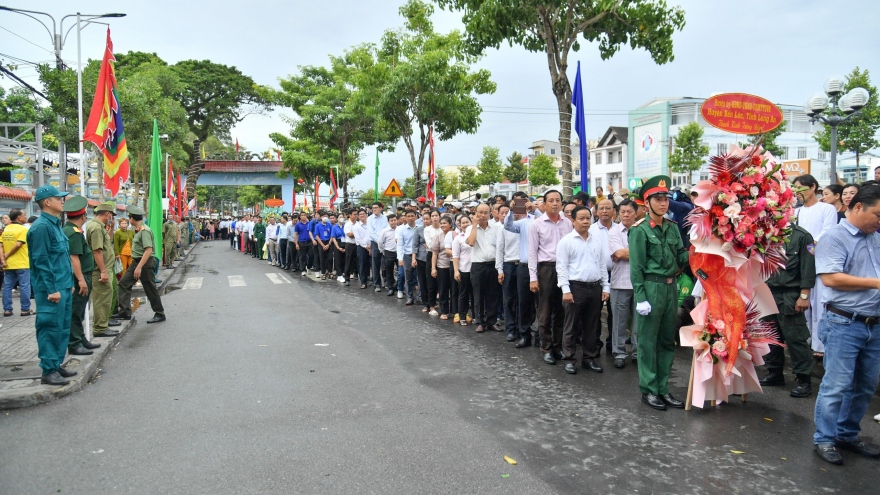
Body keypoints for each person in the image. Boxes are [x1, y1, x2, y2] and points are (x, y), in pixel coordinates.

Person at [812, 184, 880, 465]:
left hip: (874, 324)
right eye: (877, 214)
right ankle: (824, 438)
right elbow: (831, 278)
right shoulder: (834, 237)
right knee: (836, 385)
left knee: (864, 385)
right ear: (858, 207)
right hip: (844, 322)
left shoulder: (875, 237)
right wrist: (876, 283)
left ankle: (847, 434)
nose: (879, 221)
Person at [629, 175, 689, 411]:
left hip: (671, 287)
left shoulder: (673, 228)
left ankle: (663, 388)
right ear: (647, 201)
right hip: (651, 288)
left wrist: (700, 249)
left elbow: (681, 258)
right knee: (647, 342)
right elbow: (637, 269)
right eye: (658, 198)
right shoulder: (640, 230)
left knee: (666, 341)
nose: (664, 203)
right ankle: (649, 389)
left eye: (666, 198)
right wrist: (641, 298)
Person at [760, 224, 815, 398]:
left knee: (795, 337)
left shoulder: (802, 236)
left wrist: (804, 295)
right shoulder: (763, 232)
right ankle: (774, 372)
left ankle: (803, 378)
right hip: (767, 291)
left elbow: (808, 267)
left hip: (790, 294)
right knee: (770, 335)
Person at [28, 185, 74, 385]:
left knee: (62, 327)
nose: (62, 201)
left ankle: (56, 364)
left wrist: (68, 283)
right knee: (49, 328)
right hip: (51, 289)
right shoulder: (41, 227)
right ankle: (48, 370)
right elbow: (41, 261)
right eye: (59, 198)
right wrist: (52, 289)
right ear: (47, 202)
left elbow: (61, 258)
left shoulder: (55, 224)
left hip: (63, 285)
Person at [557, 205, 610, 374]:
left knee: (592, 326)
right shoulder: (566, 242)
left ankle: (589, 358)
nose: (586, 221)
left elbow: (602, 265)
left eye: (588, 218)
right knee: (571, 325)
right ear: (573, 221)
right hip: (575, 287)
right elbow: (562, 267)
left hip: (594, 287)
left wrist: (605, 286)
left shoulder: (596, 241)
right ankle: (569, 359)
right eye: (581, 218)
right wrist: (566, 289)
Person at [793, 174, 839, 358]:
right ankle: (805, 341)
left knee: (819, 303)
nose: (798, 194)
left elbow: (827, 232)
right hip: (801, 262)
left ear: (812, 187)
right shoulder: (797, 212)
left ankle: (819, 345)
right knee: (803, 303)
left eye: (801, 189)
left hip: (819, 260)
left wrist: (808, 247)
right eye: (795, 191)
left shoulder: (826, 209)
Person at [529, 190, 572, 364]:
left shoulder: (567, 223)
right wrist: (533, 277)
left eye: (558, 200)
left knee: (562, 310)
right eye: (551, 201)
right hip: (546, 269)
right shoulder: (536, 224)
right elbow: (532, 252)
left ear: (561, 203)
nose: (555, 203)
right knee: (545, 311)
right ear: (544, 204)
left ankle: (558, 346)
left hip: (565, 269)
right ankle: (546, 347)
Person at [114, 205, 165, 324]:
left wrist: (139, 267)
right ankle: (125, 312)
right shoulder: (138, 230)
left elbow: (148, 250)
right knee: (124, 283)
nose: (128, 220)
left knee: (150, 288)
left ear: (132, 219)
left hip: (145, 263)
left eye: (129, 218)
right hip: (137, 262)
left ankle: (159, 313)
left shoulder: (144, 231)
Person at [62, 196, 97, 357]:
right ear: (83, 216)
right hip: (80, 277)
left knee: (80, 310)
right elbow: (74, 257)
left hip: (82, 276)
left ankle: (81, 338)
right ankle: (74, 343)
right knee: (75, 311)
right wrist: (81, 280)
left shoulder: (69, 230)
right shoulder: (73, 233)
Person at [608, 199, 639, 368]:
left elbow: (650, 254)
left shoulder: (642, 230)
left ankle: (637, 352)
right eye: (622, 212)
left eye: (629, 212)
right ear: (618, 213)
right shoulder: (614, 232)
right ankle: (619, 352)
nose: (625, 215)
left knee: (639, 321)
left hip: (640, 283)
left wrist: (628, 254)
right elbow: (619, 253)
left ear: (636, 213)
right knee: (618, 322)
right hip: (619, 282)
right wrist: (640, 254)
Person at [88, 202, 121, 338]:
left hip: (106, 268)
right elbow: (97, 251)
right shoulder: (96, 227)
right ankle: (100, 328)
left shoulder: (99, 227)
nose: (111, 218)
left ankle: (102, 325)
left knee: (105, 298)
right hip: (101, 270)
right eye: (111, 215)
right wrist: (102, 271)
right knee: (102, 299)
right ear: (107, 214)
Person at [467, 203, 500, 332]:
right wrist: (475, 225)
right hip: (478, 265)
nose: (483, 215)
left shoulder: (496, 227)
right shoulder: (471, 228)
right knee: (478, 294)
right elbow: (471, 242)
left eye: (486, 212)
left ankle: (491, 321)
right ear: (476, 213)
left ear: (490, 213)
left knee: (493, 294)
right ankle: (480, 322)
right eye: (480, 212)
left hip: (493, 264)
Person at [1, 209, 29, 317]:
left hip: (8, 264)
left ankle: (7, 310)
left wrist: (3, 259)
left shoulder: (6, 229)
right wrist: (7, 255)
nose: (25, 216)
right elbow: (18, 245)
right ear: (19, 217)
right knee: (24, 286)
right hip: (21, 262)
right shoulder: (23, 229)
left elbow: (1, 246)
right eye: (24, 214)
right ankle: (25, 309)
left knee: (7, 286)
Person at [396, 210, 418, 305]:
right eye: (408, 216)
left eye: (412, 216)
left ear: (416, 217)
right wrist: (400, 258)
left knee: (420, 277)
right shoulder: (402, 230)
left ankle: (421, 297)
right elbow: (400, 245)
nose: (410, 218)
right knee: (408, 277)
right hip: (407, 255)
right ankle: (409, 297)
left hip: (418, 255)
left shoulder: (420, 228)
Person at [367, 202, 389, 291]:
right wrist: (379, 241)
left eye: (376, 207)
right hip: (375, 243)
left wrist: (383, 241)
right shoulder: (370, 219)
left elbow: (387, 229)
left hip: (384, 243)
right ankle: (377, 284)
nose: (374, 209)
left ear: (381, 208)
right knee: (375, 263)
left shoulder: (384, 218)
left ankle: (387, 282)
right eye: (373, 208)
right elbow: (371, 233)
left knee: (386, 263)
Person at [380, 214, 399, 296]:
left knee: (401, 271)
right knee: (389, 270)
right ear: (388, 222)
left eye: (395, 220)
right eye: (391, 220)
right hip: (388, 252)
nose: (393, 222)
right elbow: (380, 242)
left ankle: (398, 287)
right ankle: (390, 287)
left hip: (399, 252)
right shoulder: (385, 231)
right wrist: (383, 251)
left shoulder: (400, 229)